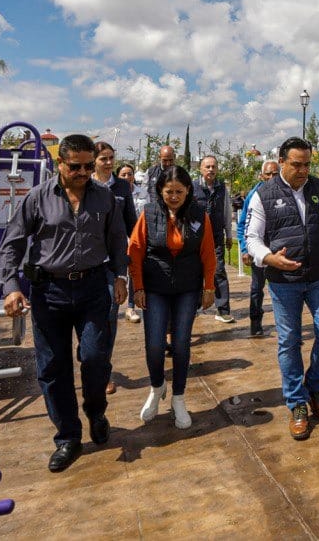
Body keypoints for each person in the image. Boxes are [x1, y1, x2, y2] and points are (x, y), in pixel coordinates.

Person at [0, 134, 128, 473]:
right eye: (76, 166)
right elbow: (11, 244)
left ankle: (96, 410)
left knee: (96, 357)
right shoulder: (38, 198)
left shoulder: (106, 199)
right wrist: (10, 287)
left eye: (88, 166)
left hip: (93, 289)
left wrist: (120, 276)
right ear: (60, 164)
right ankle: (68, 436)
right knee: (53, 368)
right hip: (49, 293)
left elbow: (116, 239)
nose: (84, 172)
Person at [245, 137, 319, 441]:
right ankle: (296, 402)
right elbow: (251, 237)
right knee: (289, 341)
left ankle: (315, 387)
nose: (303, 170)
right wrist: (269, 258)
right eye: (296, 164)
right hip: (283, 281)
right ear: (282, 162)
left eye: (307, 164)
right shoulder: (263, 193)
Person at [128, 165, 216, 429]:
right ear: (160, 191)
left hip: (187, 289)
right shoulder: (149, 213)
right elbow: (135, 252)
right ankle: (157, 387)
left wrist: (209, 287)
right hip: (154, 288)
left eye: (179, 191)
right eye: (169, 191)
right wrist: (138, 288)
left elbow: (208, 253)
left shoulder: (200, 215)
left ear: (188, 190)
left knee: (181, 344)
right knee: (155, 344)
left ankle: (178, 397)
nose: (174, 196)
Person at [92, 141, 139, 394]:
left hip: (114, 261)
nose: (108, 163)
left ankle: (104, 372)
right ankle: (89, 354)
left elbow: (131, 220)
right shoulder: (86, 185)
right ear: (94, 162)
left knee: (110, 314)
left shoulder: (121, 186)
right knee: (90, 319)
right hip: (89, 259)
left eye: (111, 158)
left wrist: (139, 248)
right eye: (103, 159)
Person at [236, 160, 279, 337]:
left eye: (275, 174)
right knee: (257, 287)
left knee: (281, 288)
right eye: (268, 174)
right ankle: (255, 322)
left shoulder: (285, 192)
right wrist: (245, 249)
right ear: (262, 175)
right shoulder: (254, 195)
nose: (271, 177)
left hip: (278, 249)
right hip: (258, 248)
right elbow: (242, 224)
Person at [192, 155, 234, 323]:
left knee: (219, 271)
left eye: (213, 167)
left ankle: (223, 310)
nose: (211, 169)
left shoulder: (222, 188)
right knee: (194, 273)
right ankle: (193, 307)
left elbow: (227, 212)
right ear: (201, 169)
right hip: (195, 238)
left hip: (216, 237)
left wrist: (229, 234)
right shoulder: (192, 187)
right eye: (207, 166)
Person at [116, 162, 144, 323]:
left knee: (134, 271)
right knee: (119, 272)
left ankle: (131, 306)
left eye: (130, 174)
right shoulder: (113, 192)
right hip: (119, 239)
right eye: (123, 174)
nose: (127, 177)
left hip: (136, 238)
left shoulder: (143, 193)